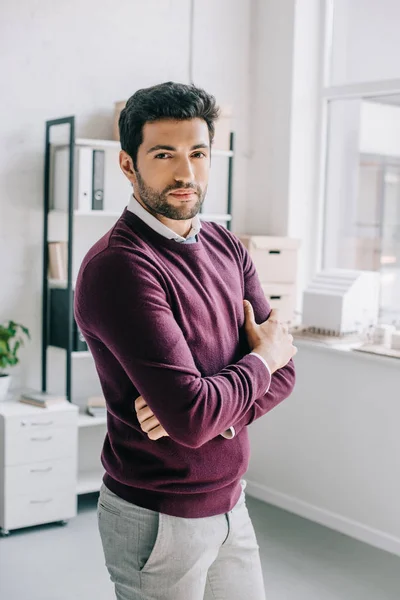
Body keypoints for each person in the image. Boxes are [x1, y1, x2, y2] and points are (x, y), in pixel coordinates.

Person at [74, 81, 297, 600]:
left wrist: (210, 410)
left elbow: (284, 373)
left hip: (232, 504)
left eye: (198, 153)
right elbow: (266, 362)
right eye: (164, 154)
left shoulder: (224, 244)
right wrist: (257, 359)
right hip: (157, 520)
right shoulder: (121, 267)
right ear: (128, 165)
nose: (187, 173)